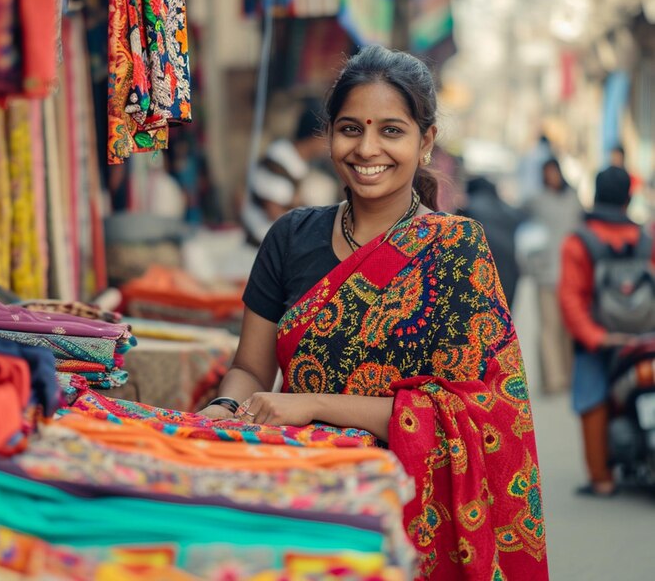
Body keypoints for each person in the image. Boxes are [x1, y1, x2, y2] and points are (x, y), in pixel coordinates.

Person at [201, 45, 547, 579]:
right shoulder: (290, 237)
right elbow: (251, 367)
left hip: (409, 510)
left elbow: (477, 415)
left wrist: (313, 404)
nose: (366, 149)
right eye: (350, 129)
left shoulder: (456, 250)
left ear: (425, 141)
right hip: (300, 497)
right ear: (329, 136)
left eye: (391, 130)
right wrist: (225, 407)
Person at [558, 165, 655, 497]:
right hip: (645, 340)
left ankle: (602, 479)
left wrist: (597, 338)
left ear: (596, 196)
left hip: (600, 341)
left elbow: (571, 298)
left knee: (591, 397)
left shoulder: (579, 241)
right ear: (628, 198)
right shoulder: (645, 239)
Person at [241, 103, 338, 244]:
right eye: (327, 137)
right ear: (315, 136)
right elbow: (273, 210)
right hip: (261, 241)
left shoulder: (300, 164)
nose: (329, 145)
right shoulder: (280, 157)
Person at [526, 158, 583, 394]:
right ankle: (553, 378)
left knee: (569, 326)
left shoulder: (573, 200)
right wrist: (533, 264)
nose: (551, 177)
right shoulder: (536, 201)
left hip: (571, 274)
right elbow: (527, 233)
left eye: (554, 172)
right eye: (547, 173)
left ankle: (571, 375)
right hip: (545, 273)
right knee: (549, 327)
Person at [457, 176, 524, 307]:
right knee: (503, 310)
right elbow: (522, 218)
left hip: (482, 267)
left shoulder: (469, 208)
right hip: (509, 268)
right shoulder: (507, 209)